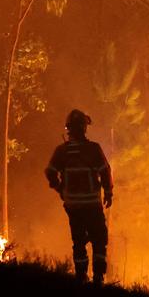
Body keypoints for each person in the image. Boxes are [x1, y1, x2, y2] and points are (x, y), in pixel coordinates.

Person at [44, 108, 113, 283]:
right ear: (84, 128)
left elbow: (50, 172)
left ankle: (81, 277)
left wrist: (61, 190)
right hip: (92, 205)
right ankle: (98, 278)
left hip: (73, 207)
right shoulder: (93, 149)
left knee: (79, 241)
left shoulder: (62, 151)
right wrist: (109, 193)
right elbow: (105, 172)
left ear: (68, 129)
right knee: (99, 240)